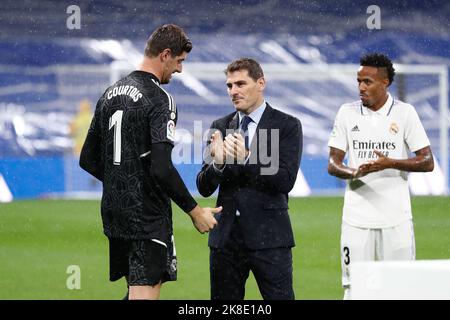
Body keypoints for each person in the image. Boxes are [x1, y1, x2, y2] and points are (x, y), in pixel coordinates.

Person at [79, 24, 221, 300]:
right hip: (146, 216)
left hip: (114, 213)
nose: (179, 70)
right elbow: (161, 166)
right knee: (145, 294)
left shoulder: (109, 94)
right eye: (179, 61)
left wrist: (124, 181)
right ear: (165, 55)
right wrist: (194, 211)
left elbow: (87, 159)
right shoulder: (160, 99)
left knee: (135, 291)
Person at [327, 53, 434, 299]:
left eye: (367, 82)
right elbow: (333, 163)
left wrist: (390, 163)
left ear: (384, 83)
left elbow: (427, 161)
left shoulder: (405, 113)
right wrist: (354, 171)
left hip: (396, 219)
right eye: (359, 81)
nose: (361, 87)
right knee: (354, 290)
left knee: (400, 291)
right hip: (356, 220)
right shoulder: (347, 113)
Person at [196, 58, 303, 300]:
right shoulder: (219, 127)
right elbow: (203, 186)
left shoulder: (286, 125)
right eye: (229, 86)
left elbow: (286, 180)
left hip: (271, 240)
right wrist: (219, 163)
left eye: (241, 84)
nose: (234, 91)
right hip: (226, 241)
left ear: (261, 83)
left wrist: (247, 157)